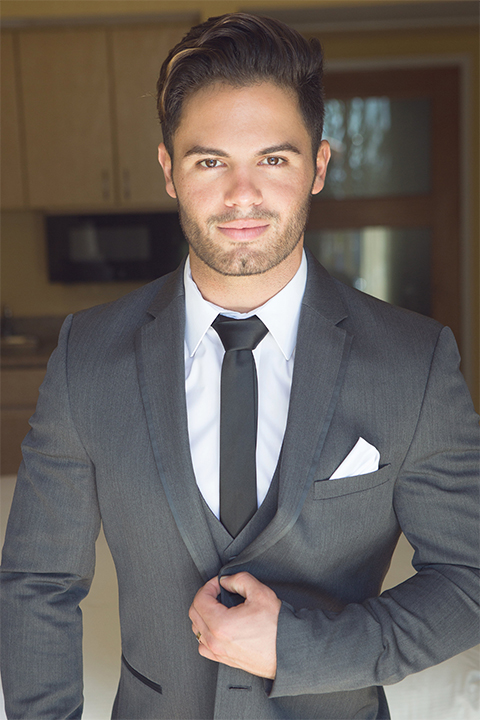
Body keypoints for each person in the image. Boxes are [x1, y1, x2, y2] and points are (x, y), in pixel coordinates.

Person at [1, 12, 479, 720]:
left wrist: (301, 649)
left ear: (319, 165)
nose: (242, 195)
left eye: (274, 159)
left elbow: (468, 580)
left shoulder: (415, 361)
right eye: (210, 161)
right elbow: (37, 581)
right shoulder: (87, 356)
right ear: (169, 170)